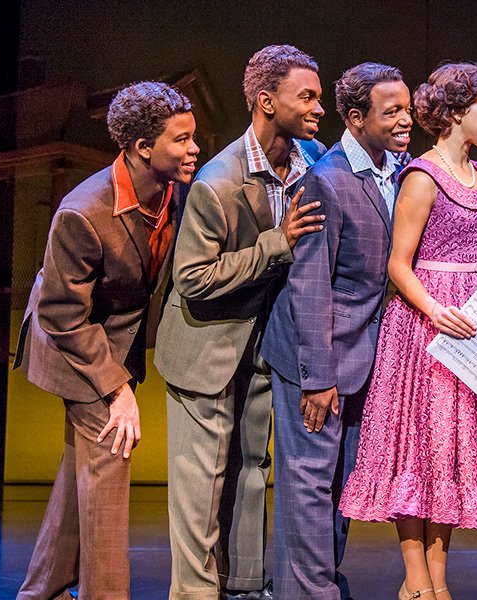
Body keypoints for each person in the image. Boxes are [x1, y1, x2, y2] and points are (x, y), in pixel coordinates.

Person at [338, 62, 477, 600]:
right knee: (417, 448)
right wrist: (435, 309)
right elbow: (398, 263)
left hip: (472, 327)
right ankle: (415, 577)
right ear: (457, 111)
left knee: (449, 452)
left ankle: (437, 578)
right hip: (424, 328)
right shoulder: (422, 176)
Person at [153, 44, 326, 600]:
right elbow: (193, 277)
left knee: (253, 468)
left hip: (263, 344)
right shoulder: (218, 181)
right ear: (266, 101)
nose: (318, 107)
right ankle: (195, 594)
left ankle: (246, 585)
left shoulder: (312, 161)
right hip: (205, 346)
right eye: (307, 97)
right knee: (201, 483)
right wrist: (277, 243)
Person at [14, 81, 199, 600]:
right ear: (143, 148)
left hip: (114, 338)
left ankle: (40, 591)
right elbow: (62, 313)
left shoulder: (175, 191)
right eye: (181, 140)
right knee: (111, 455)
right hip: (72, 343)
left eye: (193, 137)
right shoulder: (84, 212)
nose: (194, 149)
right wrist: (116, 389)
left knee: (83, 467)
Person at [260, 61, 413, 600]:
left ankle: (311, 584)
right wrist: (317, 377)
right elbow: (309, 284)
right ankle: (312, 592)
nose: (405, 120)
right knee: (309, 483)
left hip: (363, 356)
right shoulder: (326, 180)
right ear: (355, 118)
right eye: (391, 111)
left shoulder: (397, 170)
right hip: (317, 357)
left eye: (407, 109)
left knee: (340, 486)